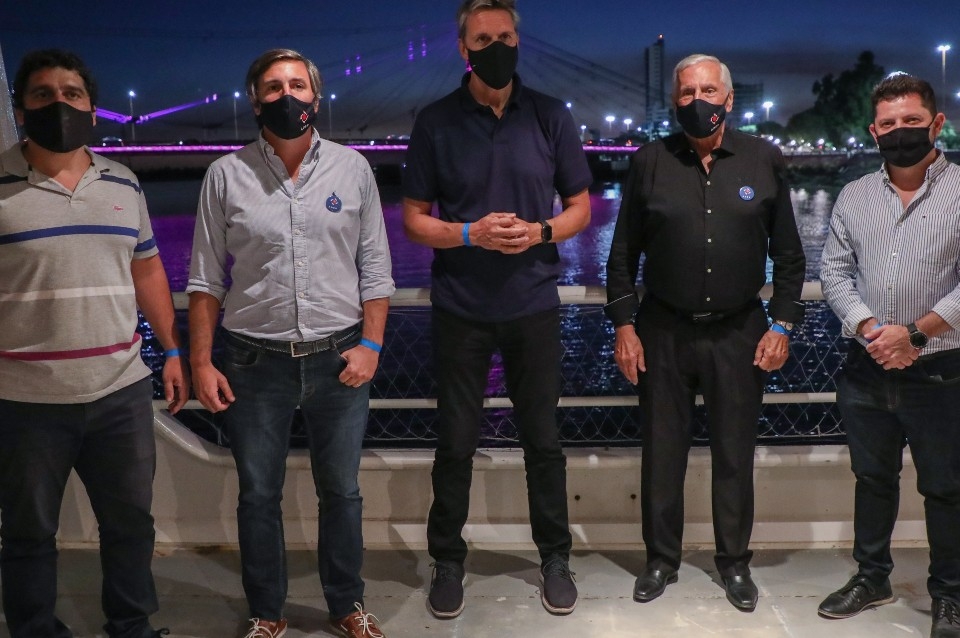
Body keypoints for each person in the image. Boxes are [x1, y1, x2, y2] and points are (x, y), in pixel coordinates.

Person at [186, 49, 394, 638]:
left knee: (342, 492)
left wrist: (372, 346)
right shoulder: (225, 175)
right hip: (254, 361)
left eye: (297, 85)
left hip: (340, 357)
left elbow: (376, 268)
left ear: (316, 97)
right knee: (258, 495)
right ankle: (267, 613)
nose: (287, 96)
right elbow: (205, 279)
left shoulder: (354, 169)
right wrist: (200, 361)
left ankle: (347, 605)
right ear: (255, 102)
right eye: (273, 88)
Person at [402, 0, 592, 619]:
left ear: (518, 41)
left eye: (505, 36)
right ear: (463, 49)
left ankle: (555, 558)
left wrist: (539, 232)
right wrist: (469, 234)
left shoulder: (550, 115)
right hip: (460, 308)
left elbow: (580, 207)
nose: (496, 47)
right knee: (455, 442)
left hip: (533, 304)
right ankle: (448, 561)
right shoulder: (435, 121)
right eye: (483, 39)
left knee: (543, 440)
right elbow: (413, 220)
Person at [605, 53, 805, 612]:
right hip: (662, 330)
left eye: (709, 91)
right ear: (675, 102)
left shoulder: (764, 159)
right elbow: (622, 256)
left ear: (729, 99)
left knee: (734, 454)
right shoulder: (649, 162)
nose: (698, 101)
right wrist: (624, 325)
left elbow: (790, 257)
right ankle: (660, 560)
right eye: (688, 93)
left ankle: (734, 563)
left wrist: (782, 324)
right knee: (661, 452)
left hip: (740, 331)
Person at [0, 49, 188, 638]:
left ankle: (131, 626)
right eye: (43, 94)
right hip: (24, 398)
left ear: (92, 108)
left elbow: (147, 269)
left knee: (130, 524)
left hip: (120, 391)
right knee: (28, 532)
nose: (59, 104)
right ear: (21, 109)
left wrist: (173, 350)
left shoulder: (124, 182)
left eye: (72, 94)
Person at [819, 73, 960, 637]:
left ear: (936, 123)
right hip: (867, 366)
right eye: (889, 123)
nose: (900, 131)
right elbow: (834, 273)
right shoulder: (855, 195)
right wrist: (874, 330)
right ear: (873, 130)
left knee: (946, 487)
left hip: (943, 370)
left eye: (912, 121)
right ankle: (871, 577)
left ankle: (949, 594)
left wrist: (915, 336)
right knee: (872, 479)